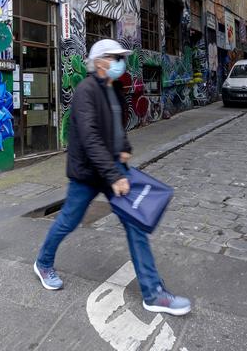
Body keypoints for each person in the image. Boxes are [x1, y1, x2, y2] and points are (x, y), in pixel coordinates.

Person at [33, 39, 191, 316]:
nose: (121, 62)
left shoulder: (114, 88)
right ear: (100, 61)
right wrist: (113, 175)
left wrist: (125, 151)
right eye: (116, 57)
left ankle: (153, 293)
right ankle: (43, 263)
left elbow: (116, 129)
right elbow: (90, 137)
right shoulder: (85, 90)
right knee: (68, 221)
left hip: (111, 170)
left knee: (135, 226)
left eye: (122, 57)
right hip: (88, 174)